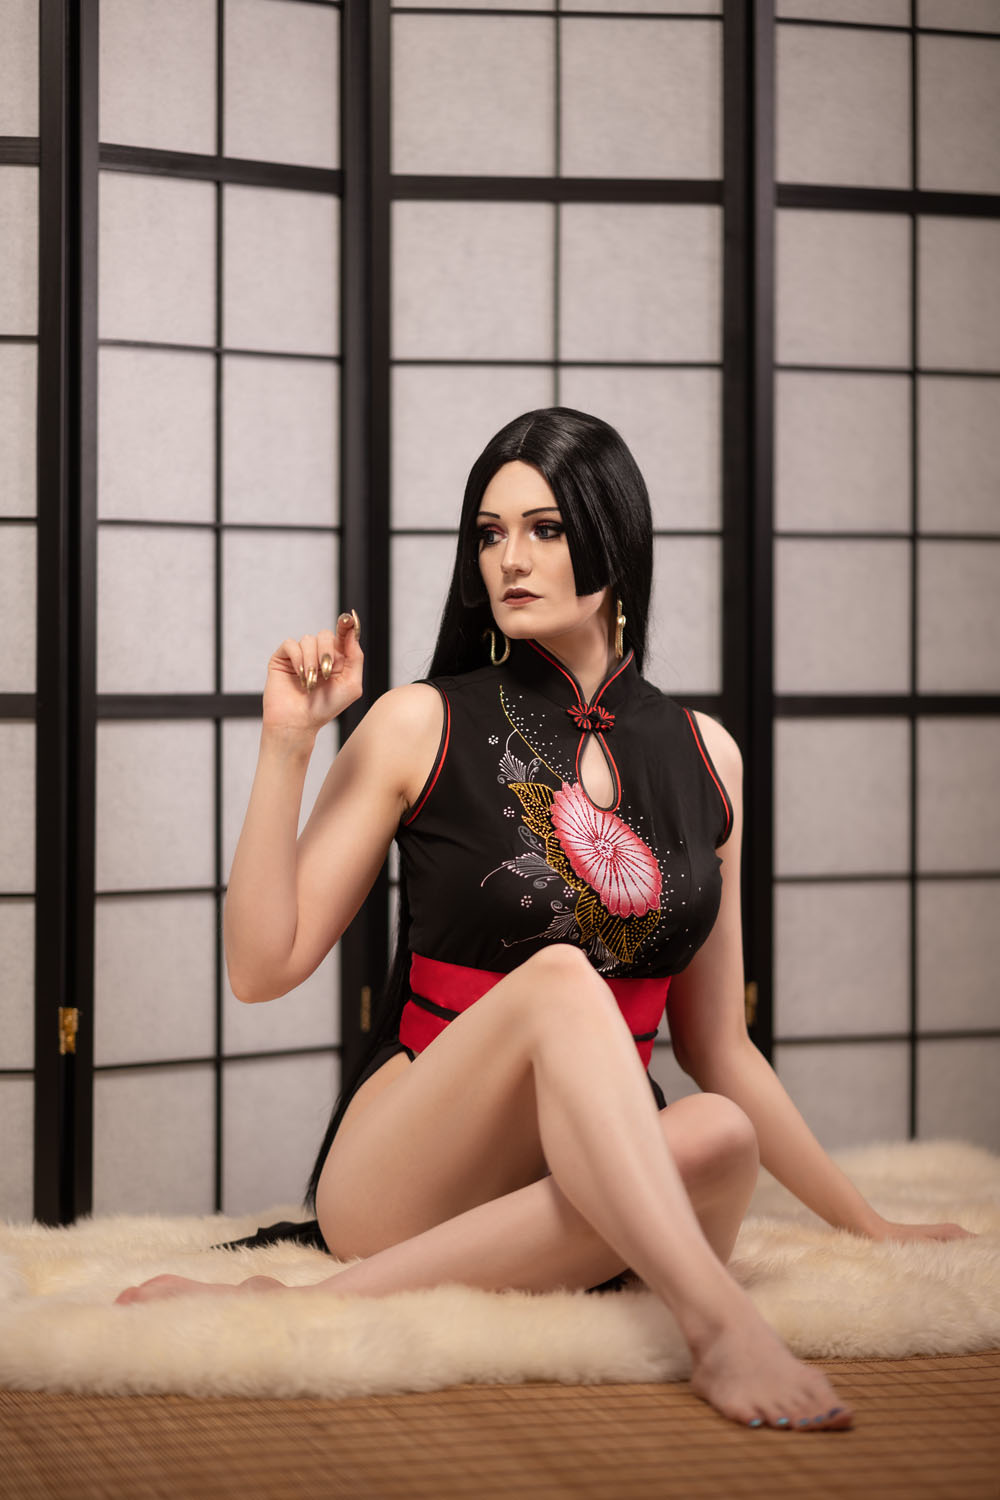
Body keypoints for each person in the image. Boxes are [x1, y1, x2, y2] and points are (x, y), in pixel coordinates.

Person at [117, 407, 971, 1430]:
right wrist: (288, 744)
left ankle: (307, 1303)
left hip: (591, 1170)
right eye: (490, 533)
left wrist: (870, 1224)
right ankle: (720, 1327)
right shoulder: (420, 721)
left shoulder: (709, 756)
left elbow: (718, 1047)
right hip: (410, 1167)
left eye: (546, 529)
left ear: (616, 537)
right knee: (565, 979)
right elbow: (262, 968)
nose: (510, 560)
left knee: (722, 1132)